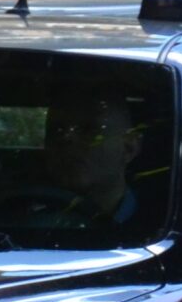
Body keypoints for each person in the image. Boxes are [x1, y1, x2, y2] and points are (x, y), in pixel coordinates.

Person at [38, 91, 144, 226]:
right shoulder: (16, 211)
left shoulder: (158, 224)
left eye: (89, 129)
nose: (66, 138)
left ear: (129, 148)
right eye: (56, 130)